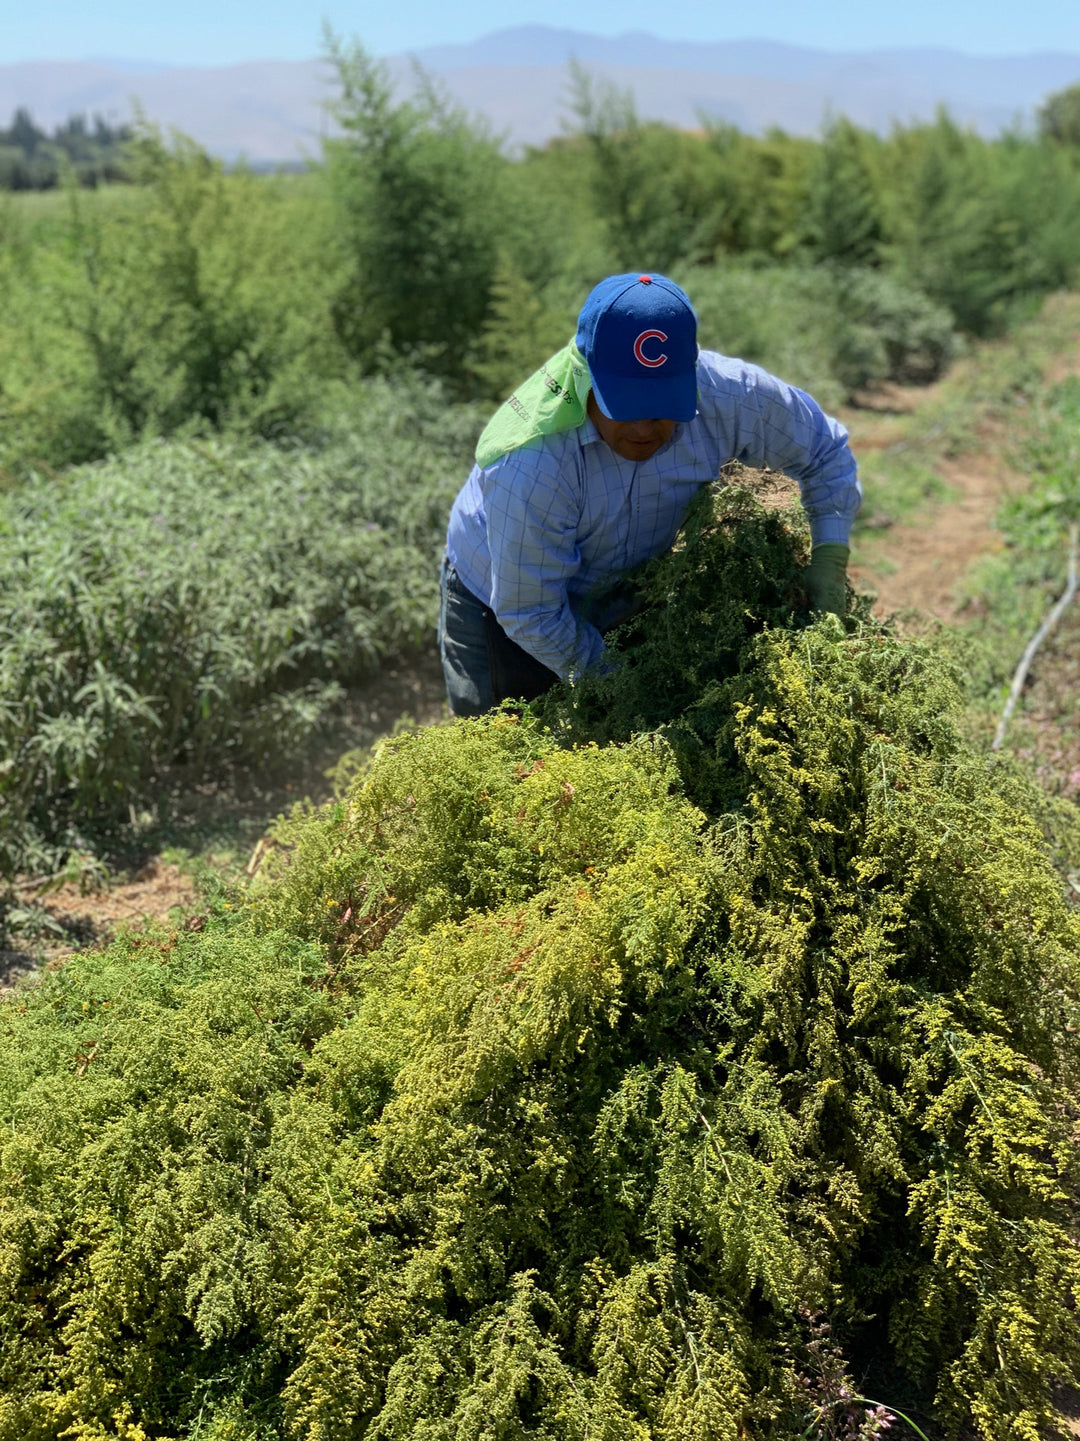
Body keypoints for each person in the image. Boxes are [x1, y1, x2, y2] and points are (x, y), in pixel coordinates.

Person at [439, 271, 861, 716]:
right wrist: (626, 687)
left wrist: (830, 559)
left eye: (660, 407)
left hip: (618, 585)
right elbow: (531, 613)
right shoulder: (534, 462)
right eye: (625, 407)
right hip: (503, 602)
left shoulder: (728, 395)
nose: (643, 429)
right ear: (586, 378)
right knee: (509, 760)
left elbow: (825, 449)